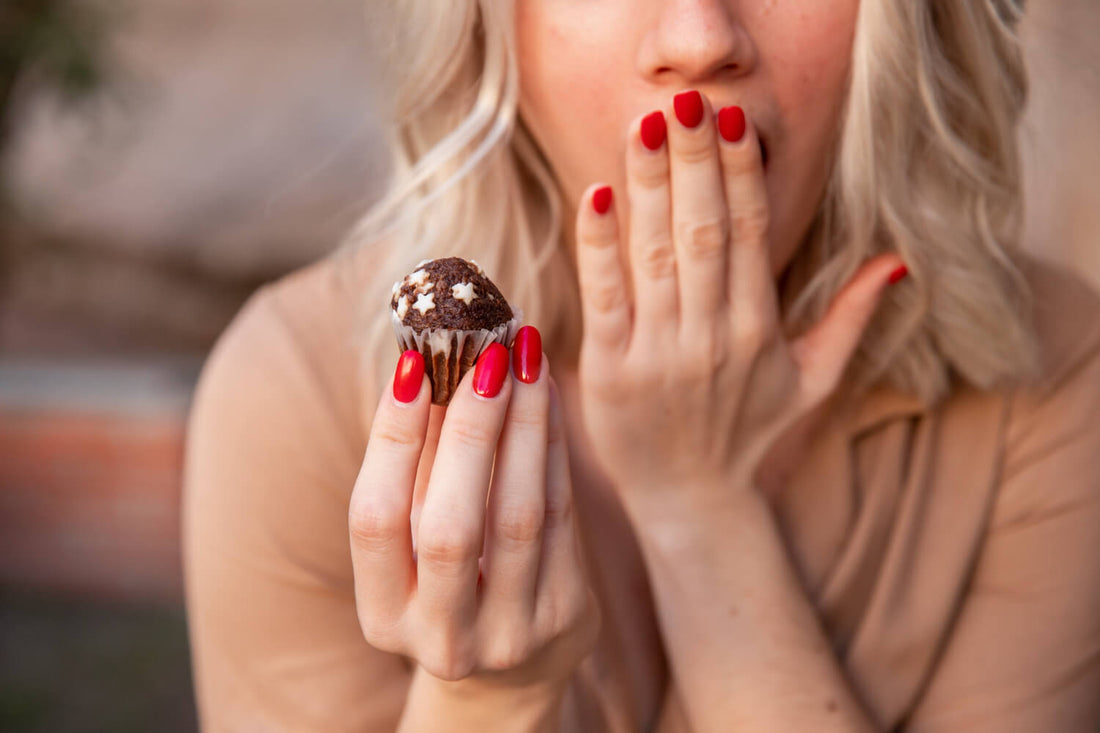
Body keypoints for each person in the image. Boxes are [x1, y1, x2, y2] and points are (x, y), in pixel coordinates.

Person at [181, 1, 1100, 730]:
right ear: (484, 24)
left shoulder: (1057, 376)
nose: (699, 40)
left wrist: (700, 503)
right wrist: (484, 695)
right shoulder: (293, 389)